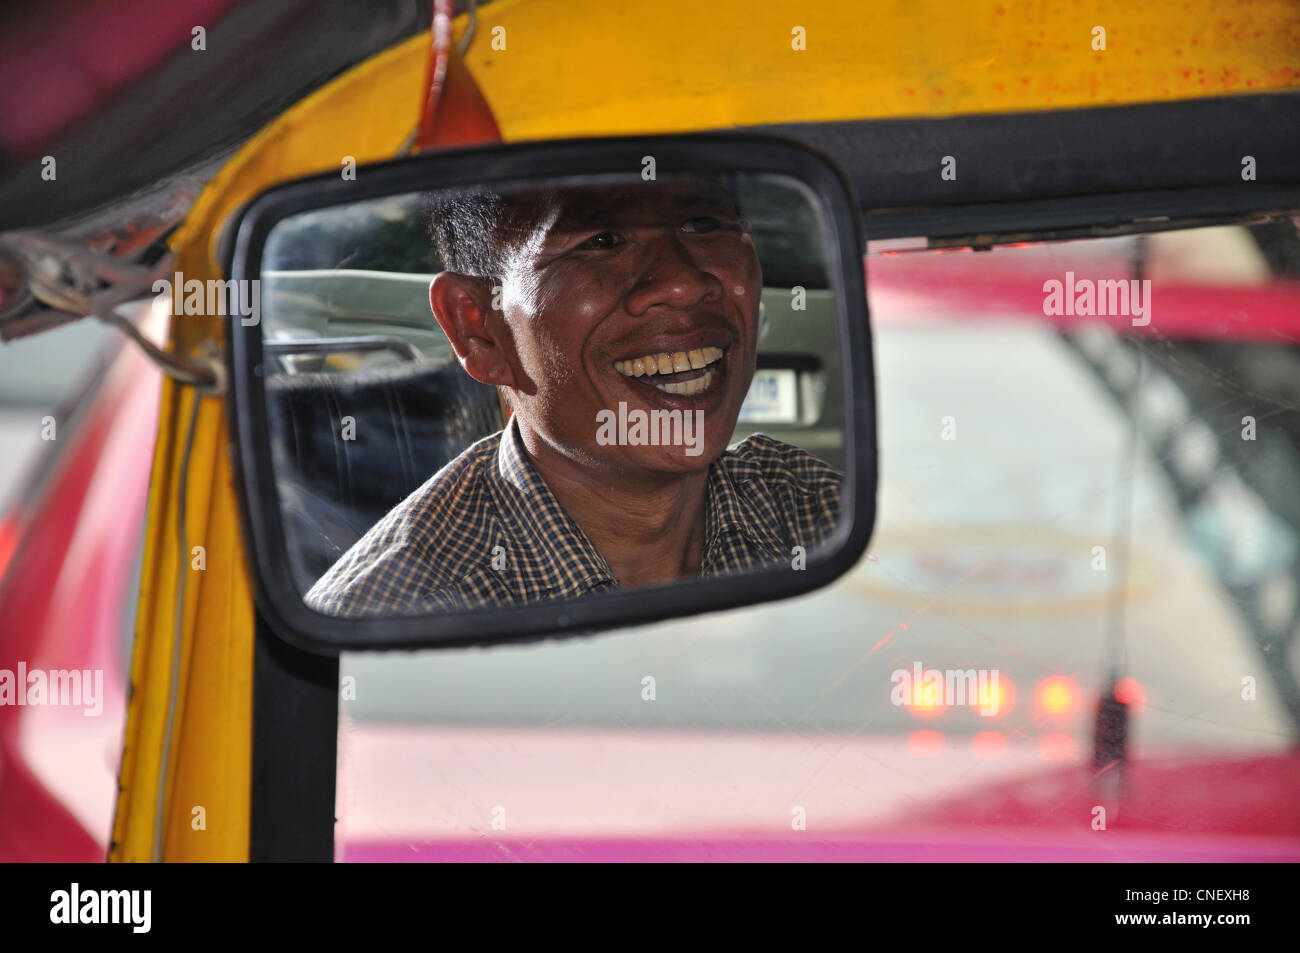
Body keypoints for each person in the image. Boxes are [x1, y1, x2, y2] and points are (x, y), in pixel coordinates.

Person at [305, 175, 841, 614]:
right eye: (601, 240)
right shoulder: (390, 619)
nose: (683, 282)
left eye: (704, 224)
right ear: (478, 327)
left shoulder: (826, 520)